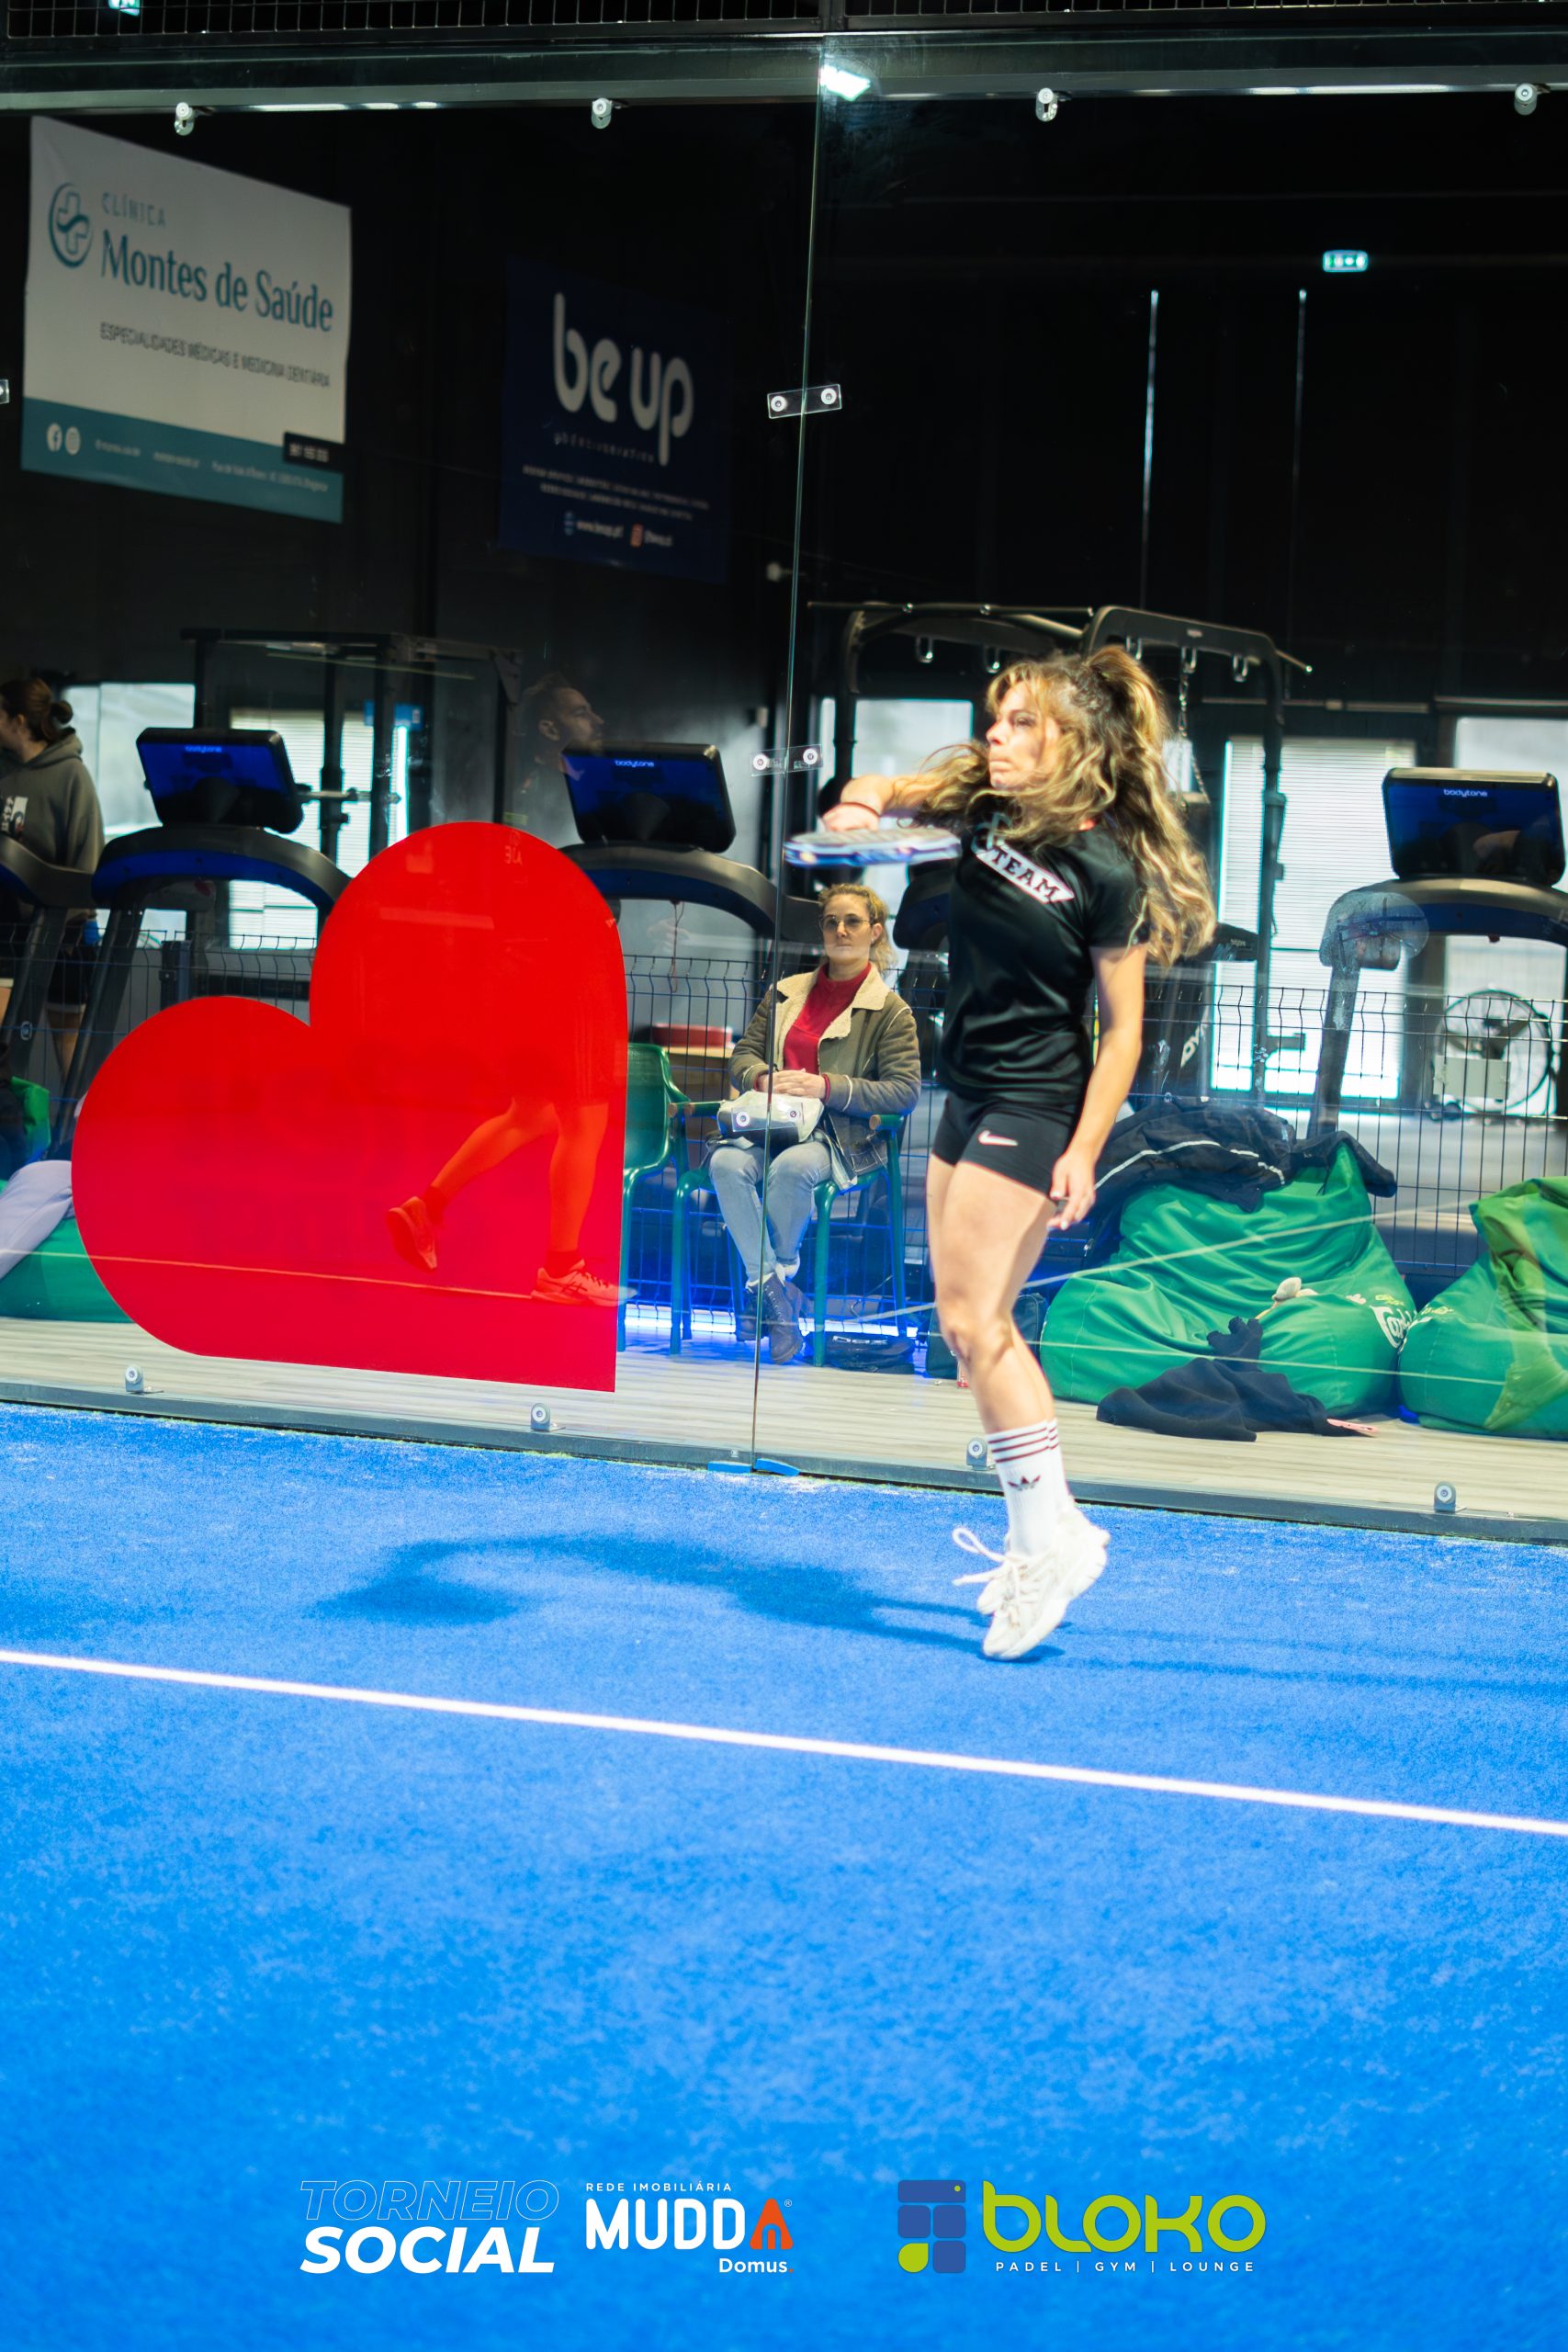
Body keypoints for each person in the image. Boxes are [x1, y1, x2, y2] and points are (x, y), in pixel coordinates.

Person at [823, 648, 1214, 1660]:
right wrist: (860, 808)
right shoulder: (979, 809)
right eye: (995, 719)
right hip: (966, 1095)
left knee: (973, 1323)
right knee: (972, 1334)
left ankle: (1051, 1542)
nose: (995, 735)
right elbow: (876, 786)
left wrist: (1084, 1150)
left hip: (1038, 1105)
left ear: (1071, 742)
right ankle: (1050, 1535)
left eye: (1020, 722)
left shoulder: (1107, 872)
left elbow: (1122, 1036)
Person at [710, 883, 920, 1364]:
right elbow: (743, 1056)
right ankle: (778, 1294)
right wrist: (762, 1077)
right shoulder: (785, 994)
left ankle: (771, 1290)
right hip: (771, 1124)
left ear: (875, 932)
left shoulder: (891, 1013)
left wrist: (826, 1086)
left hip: (838, 1135)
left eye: (852, 921)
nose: (840, 930)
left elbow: (904, 1091)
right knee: (725, 1163)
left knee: (792, 1170)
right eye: (831, 922)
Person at [0, 676, 105, 874]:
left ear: (19, 722)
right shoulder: (4, 769)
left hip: (51, 894)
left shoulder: (72, 777)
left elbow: (87, 863)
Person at [505, 672, 604, 848]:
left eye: (591, 711)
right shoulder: (539, 793)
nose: (599, 720)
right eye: (581, 714)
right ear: (550, 730)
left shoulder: (576, 787)